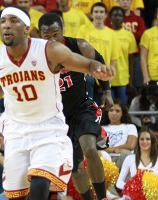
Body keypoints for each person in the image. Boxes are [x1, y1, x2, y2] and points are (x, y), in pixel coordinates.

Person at [0, 6, 114, 200]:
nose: (7, 26)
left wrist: (97, 68)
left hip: (48, 126)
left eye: (14, 21)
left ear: (26, 27)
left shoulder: (48, 50)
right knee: (18, 195)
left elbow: (85, 63)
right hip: (16, 129)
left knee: (40, 183)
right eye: (3, 22)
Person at [38, 12, 113, 200]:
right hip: (56, 116)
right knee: (75, 167)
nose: (52, 39)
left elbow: (99, 61)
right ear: (40, 35)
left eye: (55, 34)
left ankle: (103, 197)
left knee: (89, 148)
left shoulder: (79, 46)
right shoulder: (36, 55)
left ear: (63, 29)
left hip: (82, 107)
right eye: (47, 36)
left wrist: (107, 92)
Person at [76, 2, 119, 106]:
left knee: (103, 107)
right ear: (91, 14)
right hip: (87, 73)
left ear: (105, 15)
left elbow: (114, 58)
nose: (99, 14)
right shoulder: (83, 29)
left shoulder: (112, 34)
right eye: (96, 12)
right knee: (88, 106)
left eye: (101, 12)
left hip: (104, 75)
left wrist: (109, 76)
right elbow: (78, 51)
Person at [109, 6, 138, 105]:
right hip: (107, 79)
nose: (117, 18)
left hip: (123, 79)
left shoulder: (129, 35)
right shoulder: (105, 34)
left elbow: (131, 60)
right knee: (108, 111)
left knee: (123, 109)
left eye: (120, 15)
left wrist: (131, 81)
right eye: (115, 15)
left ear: (123, 18)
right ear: (110, 17)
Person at [116, 128, 158, 192]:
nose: (144, 142)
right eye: (141, 139)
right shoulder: (130, 158)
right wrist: (134, 188)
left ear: (152, 141)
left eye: (148, 139)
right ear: (138, 141)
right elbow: (119, 183)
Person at [101, 100, 138, 169]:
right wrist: (113, 150)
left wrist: (112, 149)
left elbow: (131, 145)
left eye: (117, 111)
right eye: (111, 110)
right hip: (106, 157)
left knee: (126, 153)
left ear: (122, 113)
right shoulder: (101, 128)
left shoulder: (130, 126)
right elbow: (98, 146)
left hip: (122, 156)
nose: (114, 113)